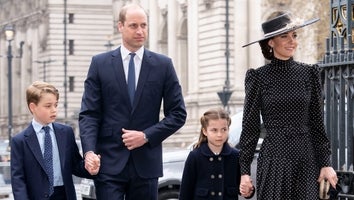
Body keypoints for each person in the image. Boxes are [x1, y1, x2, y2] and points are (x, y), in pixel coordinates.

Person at [79, 3, 187, 200]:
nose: (140, 31)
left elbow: (178, 114)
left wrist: (146, 136)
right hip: (108, 164)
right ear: (120, 26)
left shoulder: (163, 65)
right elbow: (89, 114)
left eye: (144, 25)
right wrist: (89, 152)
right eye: (133, 25)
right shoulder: (99, 64)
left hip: (146, 164)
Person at [239, 11, 339, 199]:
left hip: (307, 160)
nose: (292, 41)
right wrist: (244, 172)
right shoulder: (258, 77)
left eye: (294, 35)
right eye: (284, 36)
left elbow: (317, 123)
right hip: (274, 160)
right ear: (270, 42)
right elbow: (250, 127)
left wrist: (326, 163)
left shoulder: (309, 74)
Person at [10, 81, 100, 200]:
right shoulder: (20, 141)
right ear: (33, 107)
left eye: (55, 105)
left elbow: (76, 165)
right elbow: (18, 181)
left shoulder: (66, 133)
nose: (54, 110)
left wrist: (90, 168)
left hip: (64, 195)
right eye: (48, 106)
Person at [179, 108, 254, 200]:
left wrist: (248, 191)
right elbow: (185, 191)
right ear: (205, 131)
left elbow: (243, 187)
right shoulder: (195, 156)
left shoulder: (235, 156)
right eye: (214, 130)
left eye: (224, 129)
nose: (219, 134)